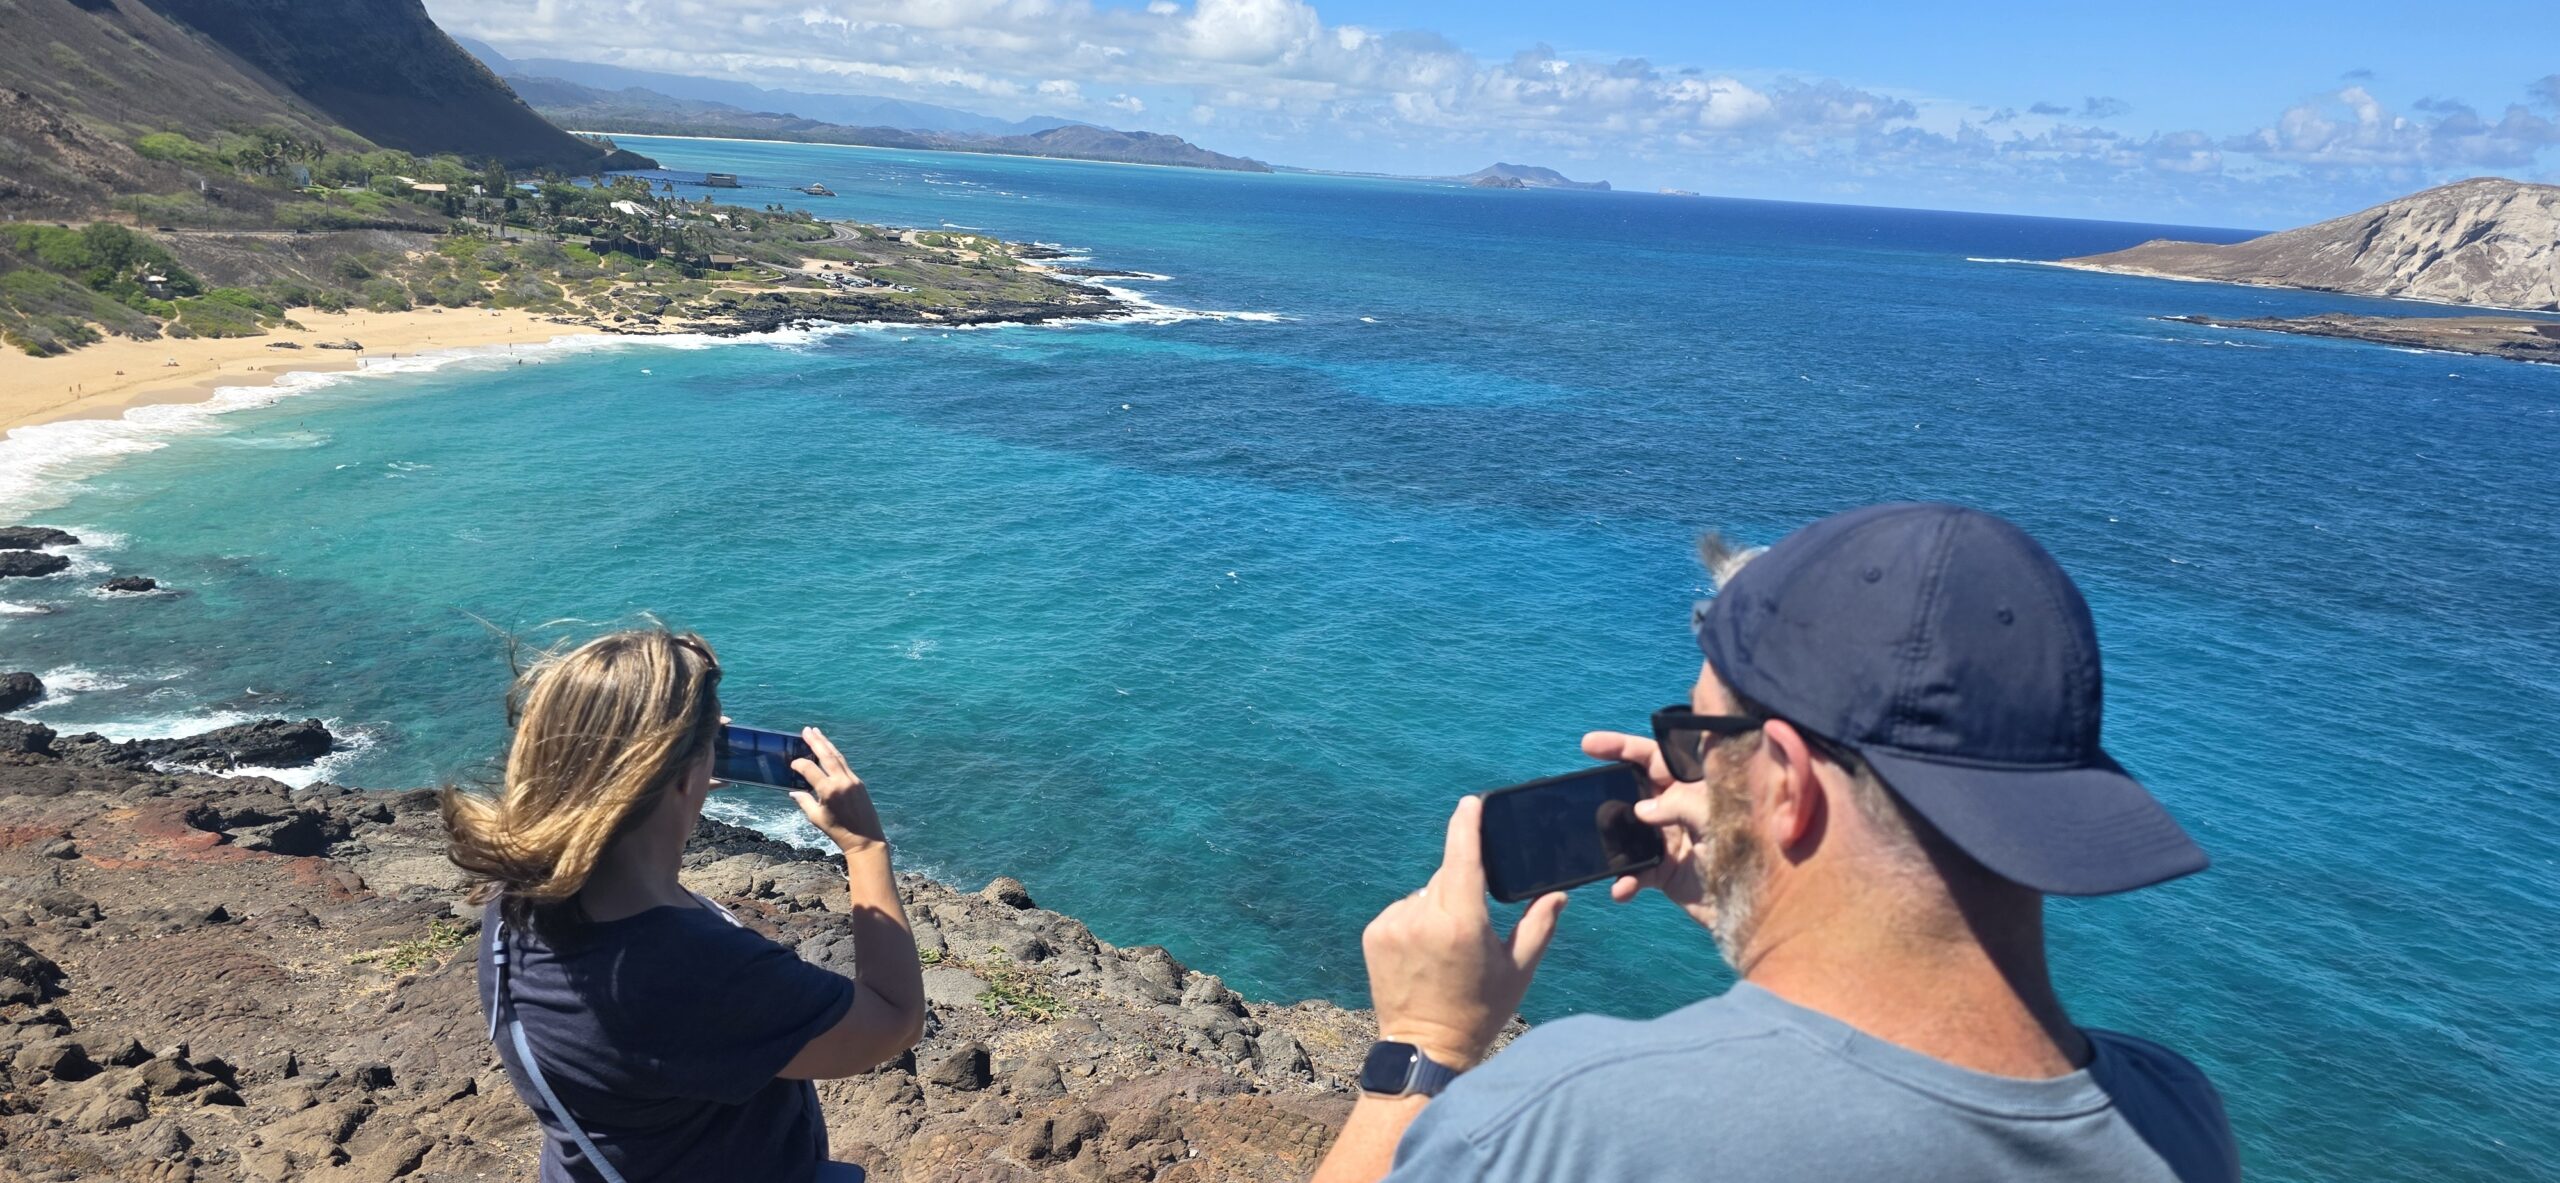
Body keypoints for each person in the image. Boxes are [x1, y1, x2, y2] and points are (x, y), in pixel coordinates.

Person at [1314, 503, 2239, 1183]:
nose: (1684, 771)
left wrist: (1423, 1046)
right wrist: (1752, 894)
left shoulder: (1579, 1124)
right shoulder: (2176, 1116)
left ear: (1789, 782)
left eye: (1698, 737)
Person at [443, 628, 924, 1182]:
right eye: (710, 740)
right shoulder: (693, 969)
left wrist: (673, 789)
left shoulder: (515, 899)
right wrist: (865, 848)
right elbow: (893, 1022)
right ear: (673, 773)